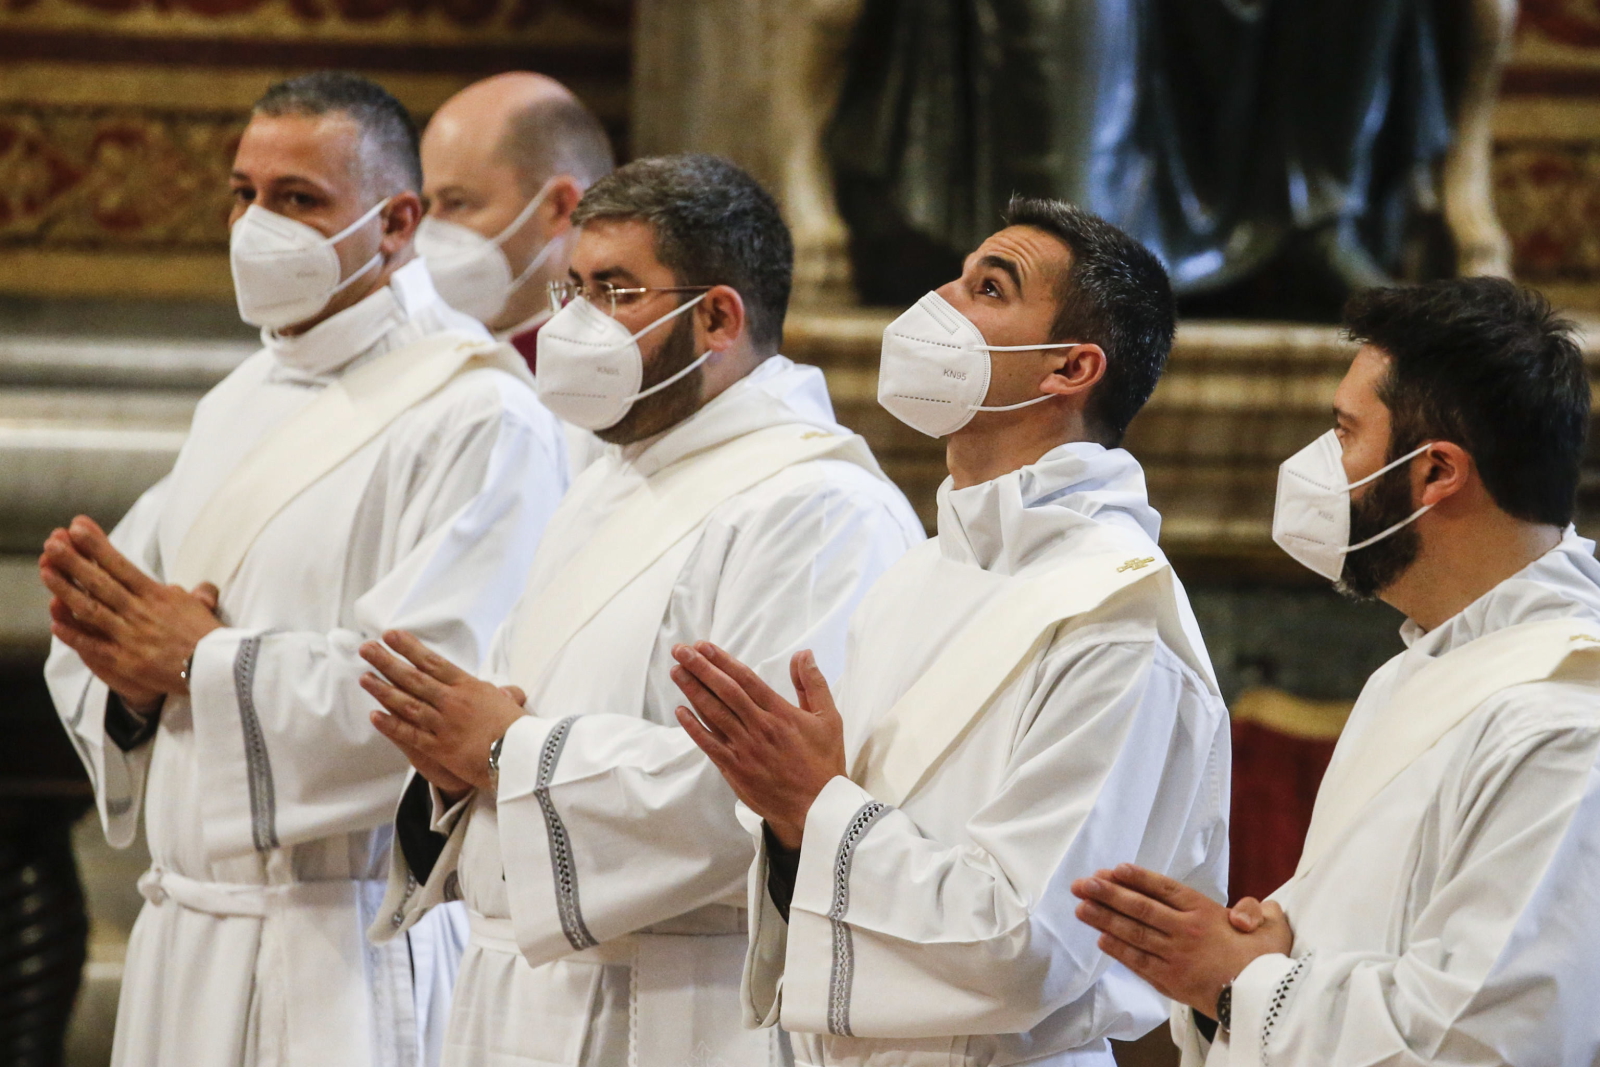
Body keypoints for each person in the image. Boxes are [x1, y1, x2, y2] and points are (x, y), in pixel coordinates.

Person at [39, 71, 568, 1067]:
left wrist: (203, 662)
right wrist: (124, 673)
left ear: (397, 219)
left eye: (297, 200)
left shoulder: (477, 414)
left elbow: (439, 699)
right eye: (244, 193)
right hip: (188, 930)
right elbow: (137, 632)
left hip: (341, 945)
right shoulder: (238, 398)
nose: (255, 226)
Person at [359, 154, 924, 1067]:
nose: (578, 324)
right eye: (572, 290)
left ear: (718, 317)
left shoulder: (817, 508)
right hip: (522, 996)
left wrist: (504, 752)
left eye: (616, 292)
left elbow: (757, 796)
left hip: (684, 1008)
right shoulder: (607, 481)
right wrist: (456, 762)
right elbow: (513, 712)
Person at [671, 197, 1232, 1066]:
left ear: (1070, 367)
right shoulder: (917, 575)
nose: (940, 299)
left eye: (988, 286)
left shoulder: (1116, 617)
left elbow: (1030, 947)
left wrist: (815, 806)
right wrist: (791, 824)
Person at [1072, 278, 1600, 1067]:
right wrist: (1261, 953)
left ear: (1437, 473)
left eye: (1345, 432)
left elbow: (1492, 1043)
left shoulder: (1564, 721)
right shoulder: (1428, 665)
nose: (1322, 466)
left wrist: (1237, 980)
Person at [415, 71, 614, 479]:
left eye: (458, 203)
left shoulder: (617, 389)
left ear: (559, 207)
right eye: (427, 204)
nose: (430, 232)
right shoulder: (413, 356)